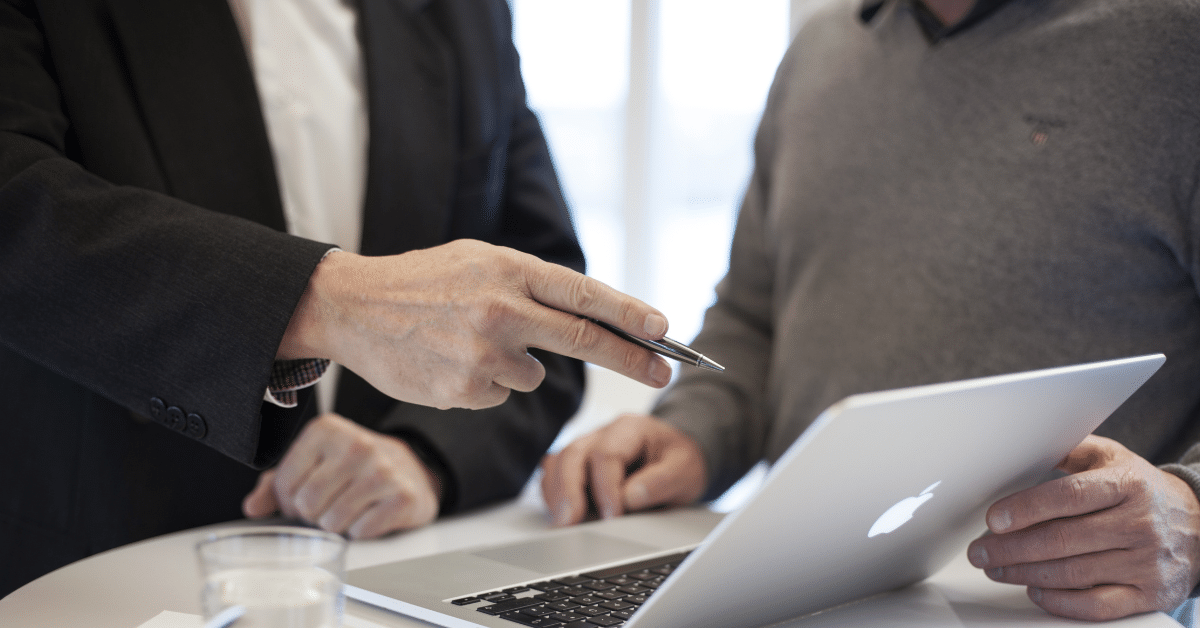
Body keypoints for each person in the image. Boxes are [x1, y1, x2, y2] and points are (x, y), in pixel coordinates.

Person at [540, 0, 1200, 621]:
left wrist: (1192, 509)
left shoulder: (1178, 45)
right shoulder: (820, 52)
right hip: (800, 600)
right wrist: (692, 433)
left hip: (1054, 610)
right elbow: (753, 317)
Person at [0, 0, 675, 597]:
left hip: (381, 582)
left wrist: (427, 456)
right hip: (87, 576)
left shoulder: (463, 12)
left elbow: (543, 315)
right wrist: (331, 304)